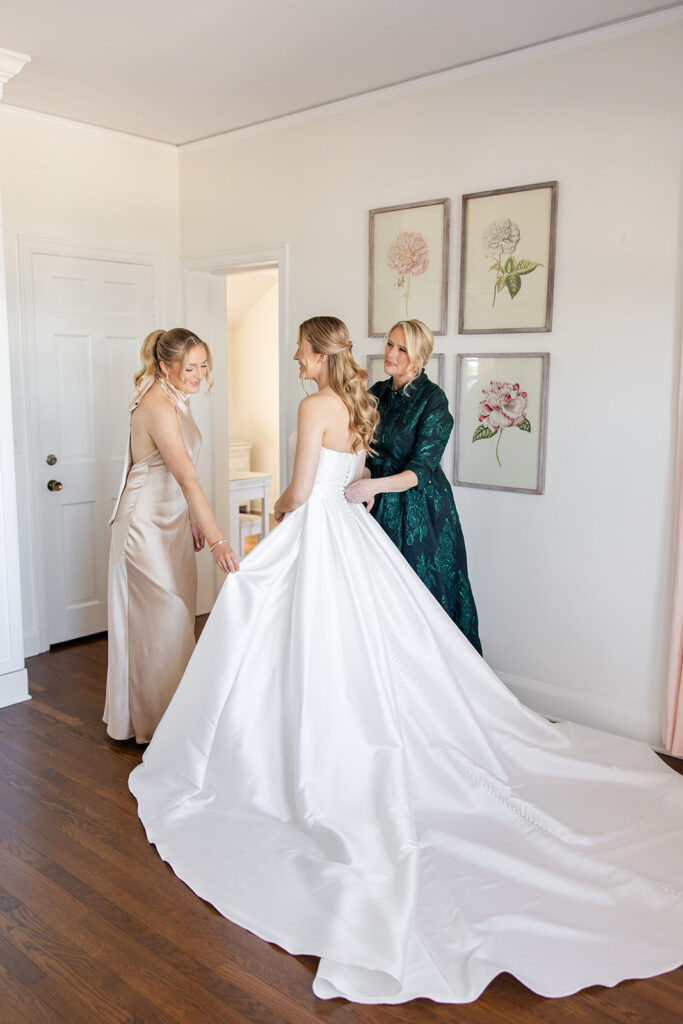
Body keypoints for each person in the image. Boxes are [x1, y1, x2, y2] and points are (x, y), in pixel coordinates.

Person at [129, 315, 683, 1005]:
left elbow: (303, 493)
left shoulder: (314, 404)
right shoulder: (362, 404)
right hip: (355, 535)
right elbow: (356, 471)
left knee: (286, 632)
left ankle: (280, 755)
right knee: (368, 645)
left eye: (298, 348)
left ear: (315, 354)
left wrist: (276, 512)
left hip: (324, 531)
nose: (294, 356)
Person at [104, 327, 238, 745]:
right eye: (190, 367)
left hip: (172, 519)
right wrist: (218, 540)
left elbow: (180, 478)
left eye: (203, 366)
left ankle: (175, 718)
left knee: (178, 618)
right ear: (166, 366)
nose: (199, 375)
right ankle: (156, 726)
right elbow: (186, 477)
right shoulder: (158, 403)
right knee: (161, 622)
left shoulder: (175, 396)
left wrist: (194, 521)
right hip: (144, 527)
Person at [345, 319, 481, 654]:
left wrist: (373, 487)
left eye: (401, 349)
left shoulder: (433, 400)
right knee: (376, 597)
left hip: (420, 512)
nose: (390, 352)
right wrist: (362, 477)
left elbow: (421, 470)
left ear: (418, 357)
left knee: (421, 597)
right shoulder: (375, 392)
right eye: (390, 344)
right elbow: (363, 448)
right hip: (375, 508)